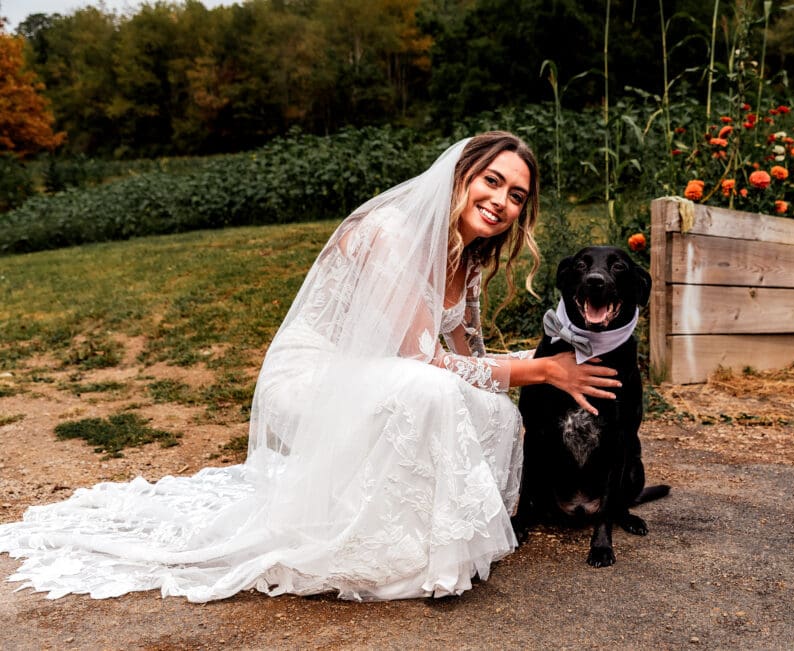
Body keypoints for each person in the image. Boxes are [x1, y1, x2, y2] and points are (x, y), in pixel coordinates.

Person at [0, 131, 620, 602]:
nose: (502, 201)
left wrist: (525, 377)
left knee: (486, 407)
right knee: (431, 392)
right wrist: (540, 372)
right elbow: (421, 359)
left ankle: (422, 539)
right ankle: (386, 548)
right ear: (459, 176)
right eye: (491, 181)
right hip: (314, 377)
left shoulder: (469, 260)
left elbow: (466, 359)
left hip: (392, 375)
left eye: (517, 195)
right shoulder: (394, 233)